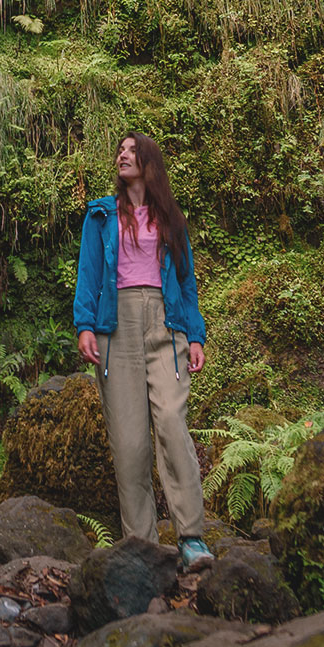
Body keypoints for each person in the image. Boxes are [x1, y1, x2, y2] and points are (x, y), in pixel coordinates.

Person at [71, 133, 215, 571]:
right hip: (116, 327)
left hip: (167, 325)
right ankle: (143, 548)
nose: (122, 155)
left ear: (149, 162)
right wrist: (85, 325)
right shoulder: (101, 216)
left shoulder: (171, 218)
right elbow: (89, 272)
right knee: (130, 442)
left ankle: (191, 537)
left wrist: (195, 334)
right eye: (119, 150)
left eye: (132, 151)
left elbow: (187, 282)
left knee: (171, 424)